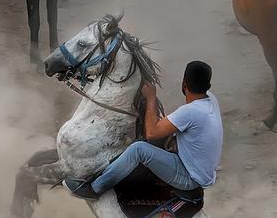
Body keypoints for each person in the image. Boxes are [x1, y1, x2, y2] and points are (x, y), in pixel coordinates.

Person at [65, 60, 223, 199]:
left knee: (138, 149)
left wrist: (151, 98)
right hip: (203, 171)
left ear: (184, 84)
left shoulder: (190, 112)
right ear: (207, 86)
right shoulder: (211, 100)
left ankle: (94, 189)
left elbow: (151, 133)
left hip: (190, 178)